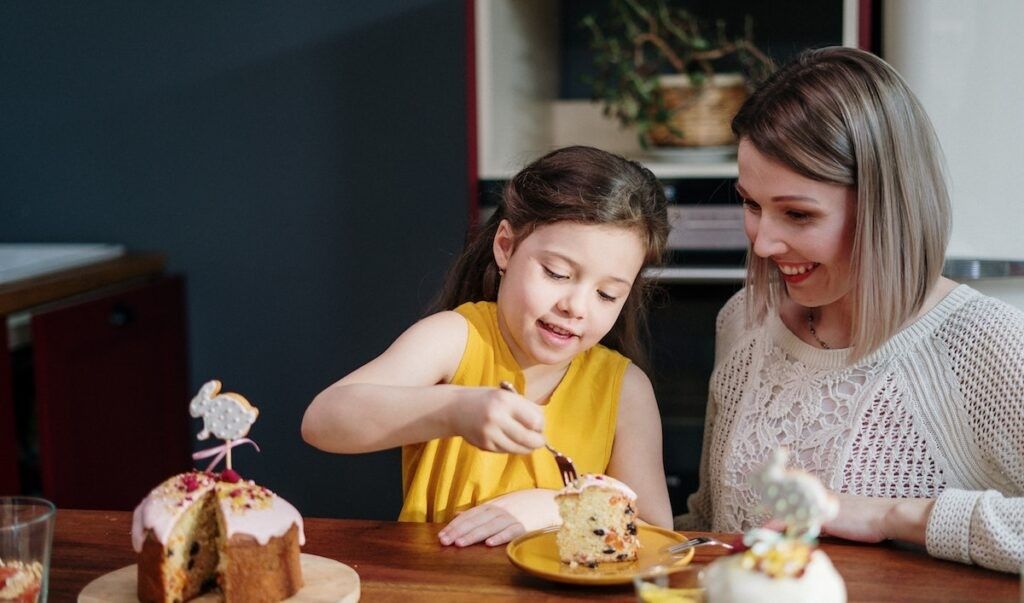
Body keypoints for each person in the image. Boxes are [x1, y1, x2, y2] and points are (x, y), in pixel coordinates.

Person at [675, 47, 1024, 573]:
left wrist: (893, 516)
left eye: (797, 213)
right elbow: (710, 522)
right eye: (751, 204)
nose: (764, 243)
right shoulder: (744, 318)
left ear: (885, 205)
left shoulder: (986, 346)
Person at [303, 145, 673, 547]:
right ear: (505, 247)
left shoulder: (624, 390)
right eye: (557, 273)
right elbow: (322, 421)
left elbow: (656, 529)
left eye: (606, 295)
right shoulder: (456, 339)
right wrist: (456, 410)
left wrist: (558, 505)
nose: (576, 307)